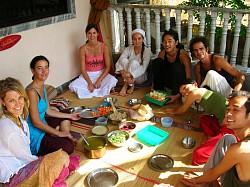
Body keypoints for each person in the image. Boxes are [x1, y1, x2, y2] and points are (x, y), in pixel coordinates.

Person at [0, 77, 79, 186]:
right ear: (2, 102)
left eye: (20, 98)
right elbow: (27, 158)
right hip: (14, 175)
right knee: (62, 157)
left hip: (24, 160)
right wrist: (47, 160)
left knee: (63, 158)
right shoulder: (9, 130)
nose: (18, 104)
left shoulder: (19, 117)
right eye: (11, 101)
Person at [181, 91, 250, 187]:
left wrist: (196, 180)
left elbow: (213, 174)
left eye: (236, 110)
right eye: (228, 109)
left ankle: (206, 183)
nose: (228, 114)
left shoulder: (241, 149)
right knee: (227, 139)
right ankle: (207, 181)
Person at [26, 55, 81, 156]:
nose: (44, 71)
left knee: (67, 112)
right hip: (36, 135)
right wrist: (59, 133)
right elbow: (36, 122)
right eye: (39, 68)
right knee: (68, 147)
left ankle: (63, 135)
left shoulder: (42, 87)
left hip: (44, 123)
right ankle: (62, 135)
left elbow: (49, 111)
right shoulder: (31, 92)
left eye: (46, 67)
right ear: (33, 71)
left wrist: (70, 116)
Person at [69, 23, 118, 98]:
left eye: (94, 33)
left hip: (101, 74)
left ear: (98, 34)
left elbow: (108, 67)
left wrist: (99, 80)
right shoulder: (82, 49)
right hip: (88, 75)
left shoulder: (104, 47)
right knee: (73, 85)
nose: (92, 36)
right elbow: (82, 69)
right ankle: (101, 90)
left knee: (113, 80)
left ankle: (97, 89)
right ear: (86, 34)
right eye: (89, 33)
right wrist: (89, 83)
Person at [151, 29, 192, 103]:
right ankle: (158, 92)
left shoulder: (183, 55)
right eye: (164, 42)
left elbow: (188, 78)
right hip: (167, 81)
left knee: (177, 67)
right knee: (157, 62)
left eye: (170, 41)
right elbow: (157, 71)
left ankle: (175, 96)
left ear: (176, 42)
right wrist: (153, 86)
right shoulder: (162, 54)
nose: (167, 44)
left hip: (178, 85)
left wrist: (179, 94)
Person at [115, 29, 152, 95]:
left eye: (139, 39)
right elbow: (119, 61)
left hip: (140, 77)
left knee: (133, 62)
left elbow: (143, 68)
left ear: (143, 39)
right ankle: (131, 83)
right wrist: (124, 73)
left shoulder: (147, 52)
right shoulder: (129, 48)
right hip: (127, 76)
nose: (137, 41)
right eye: (134, 39)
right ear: (132, 40)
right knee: (123, 60)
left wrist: (129, 75)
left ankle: (126, 85)